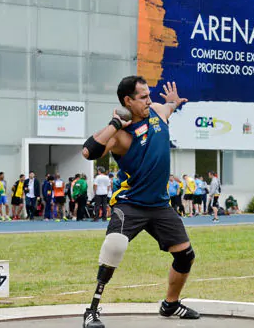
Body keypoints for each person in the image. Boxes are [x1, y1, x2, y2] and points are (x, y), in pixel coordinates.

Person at [80, 76, 199, 327]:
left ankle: (171, 304)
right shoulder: (120, 136)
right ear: (127, 101)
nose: (149, 100)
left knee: (185, 256)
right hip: (130, 203)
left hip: (159, 205)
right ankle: (91, 311)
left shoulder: (157, 111)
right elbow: (88, 151)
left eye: (149, 94)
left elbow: (167, 108)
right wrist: (115, 123)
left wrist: (173, 103)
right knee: (115, 246)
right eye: (143, 97)